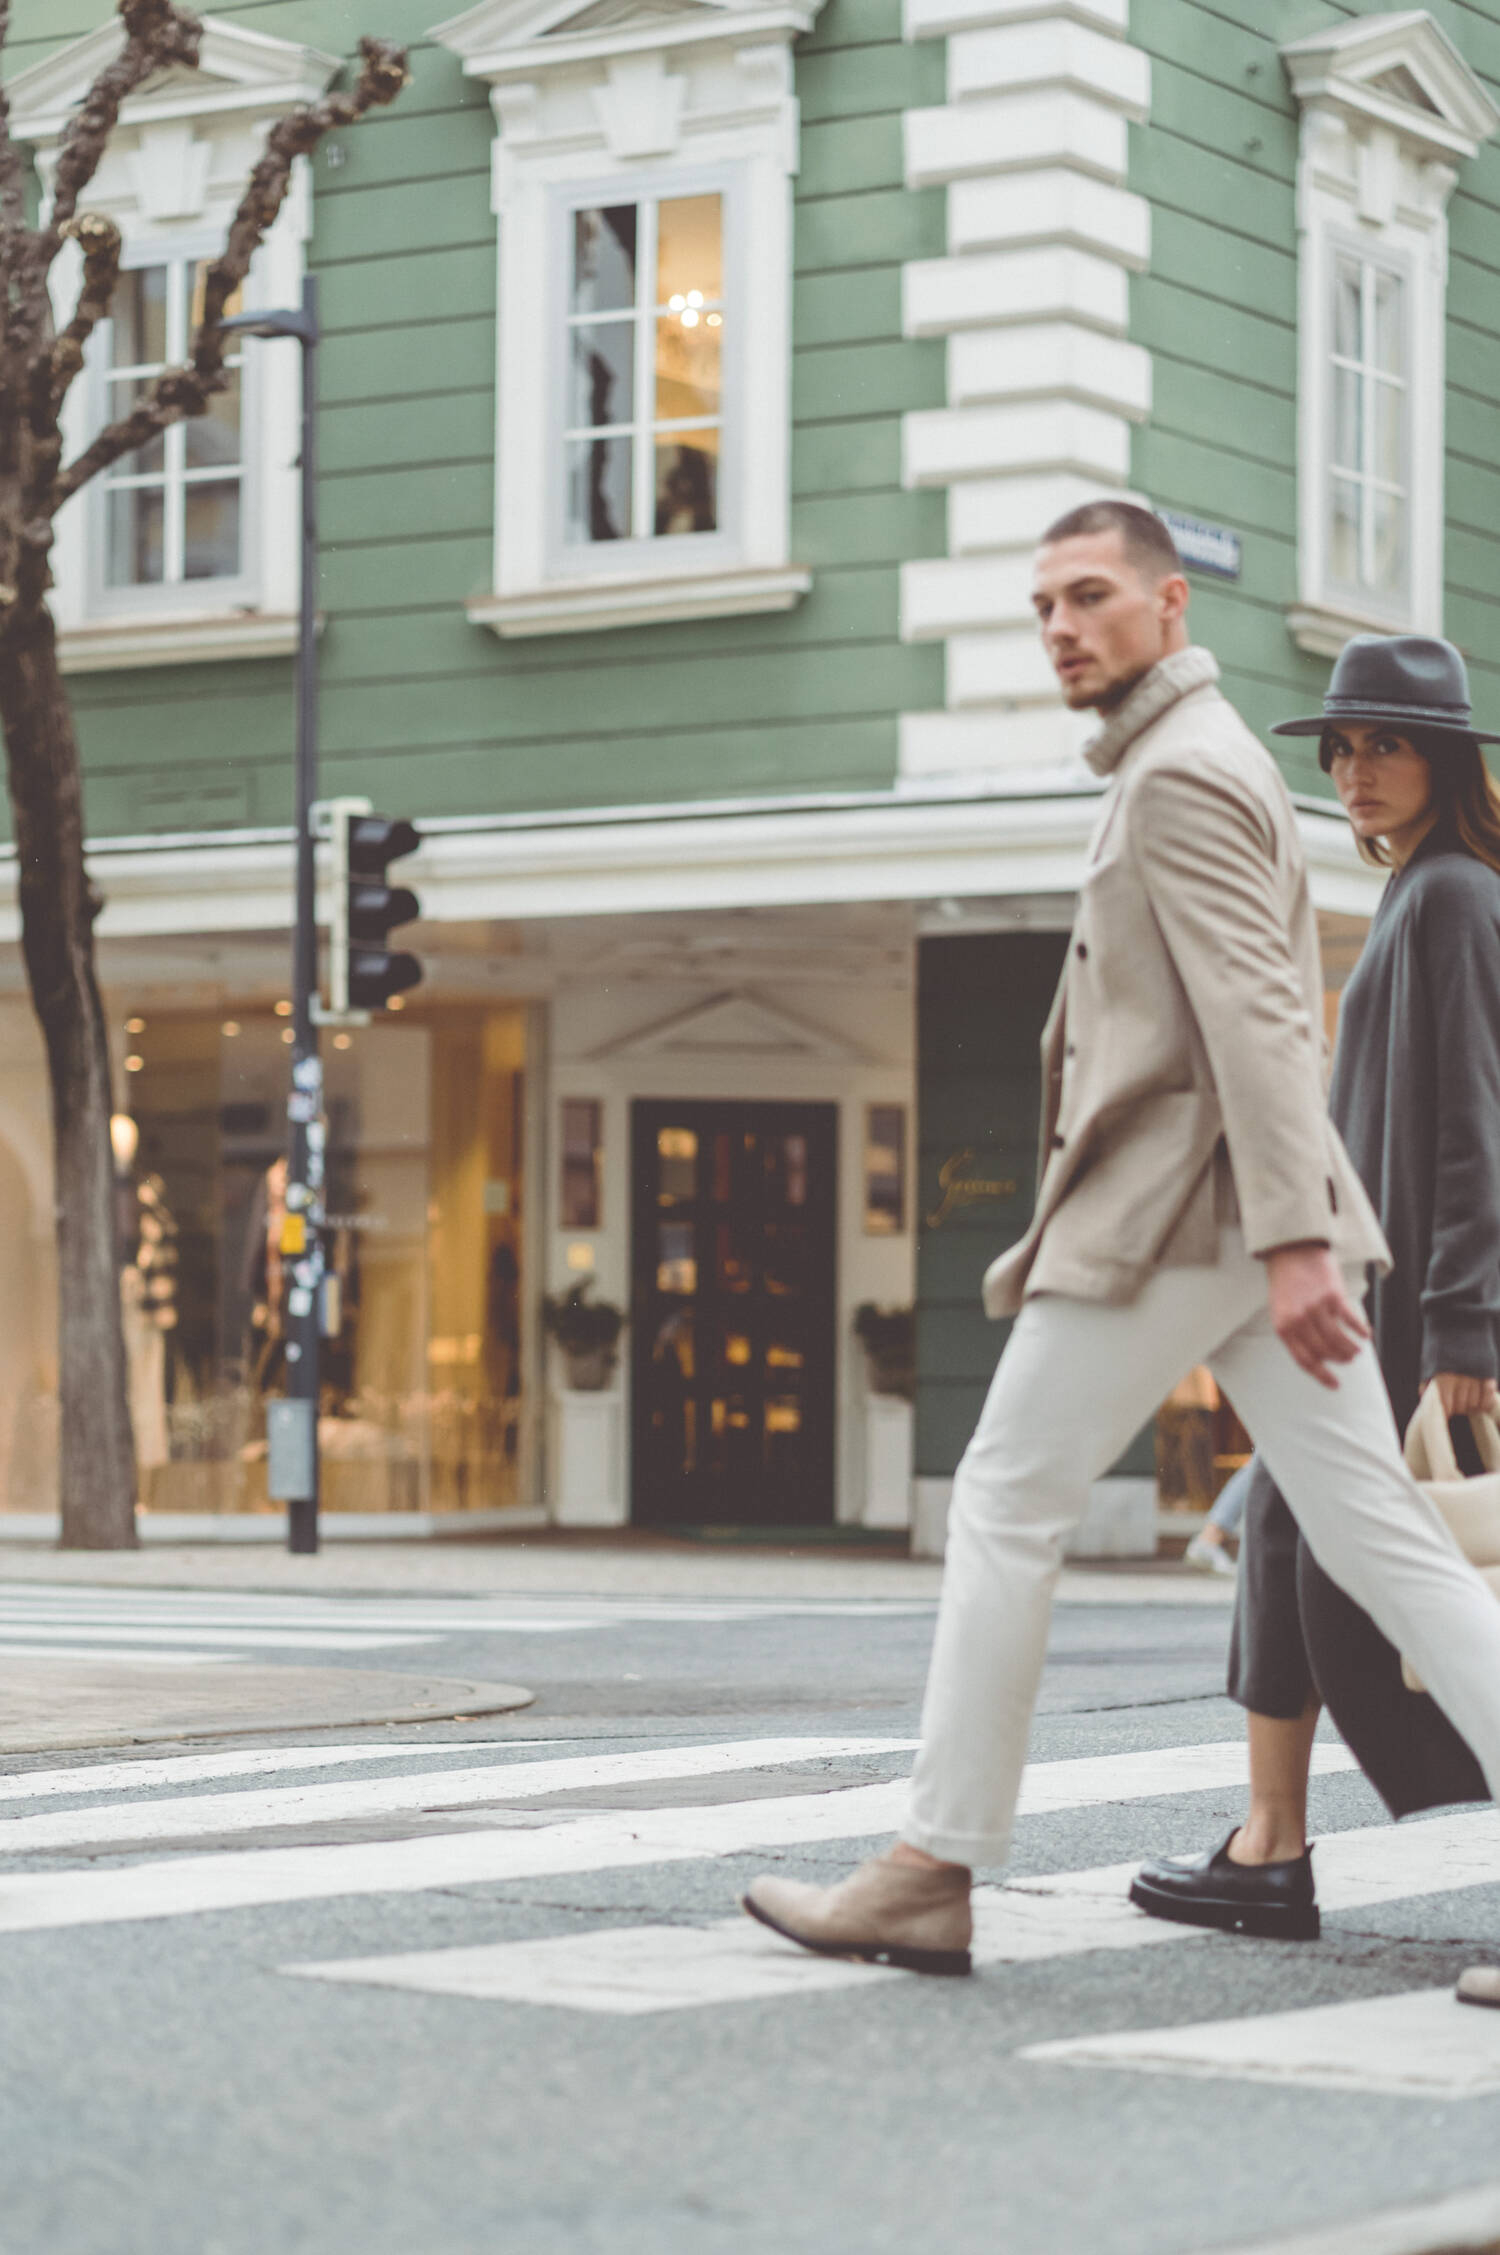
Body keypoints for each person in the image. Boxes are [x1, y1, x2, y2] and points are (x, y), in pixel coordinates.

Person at [738, 503, 1500, 2010]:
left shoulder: (1187, 777)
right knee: (1395, 1553)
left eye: (1090, 596)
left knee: (1008, 1503)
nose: (1062, 627)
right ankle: (936, 1867)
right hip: (1232, 1223)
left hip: (1182, 1218)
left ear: (1167, 603)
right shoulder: (1186, 763)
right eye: (1042, 606)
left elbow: (1263, 1024)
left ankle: (932, 1867)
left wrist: (1293, 1243)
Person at [1132, 634, 1500, 1946]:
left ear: (1447, 758)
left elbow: (1469, 1126)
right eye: (1342, 749)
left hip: (1412, 1313)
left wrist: (1463, 1329)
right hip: (1363, 1298)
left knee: (1405, 1575)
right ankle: (1268, 1844)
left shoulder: (1454, 894)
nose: (1354, 771)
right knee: (1286, 1538)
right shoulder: (1421, 893)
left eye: (1385, 744)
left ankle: (1272, 1843)